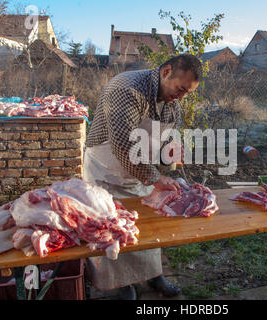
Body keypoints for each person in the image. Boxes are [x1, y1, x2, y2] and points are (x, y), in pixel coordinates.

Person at [83, 54, 202, 300]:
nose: (181, 97)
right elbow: (123, 144)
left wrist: (169, 156)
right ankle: (121, 285)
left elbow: (164, 145)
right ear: (166, 71)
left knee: (147, 228)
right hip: (106, 173)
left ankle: (154, 276)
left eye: (186, 93)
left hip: (139, 176)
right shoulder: (126, 88)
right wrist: (155, 177)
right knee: (113, 230)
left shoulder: (172, 106)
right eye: (180, 89)